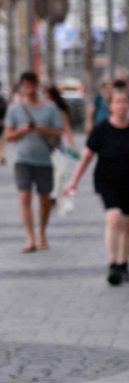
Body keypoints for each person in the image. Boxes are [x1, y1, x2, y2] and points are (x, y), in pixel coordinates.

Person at [65, 81, 129, 285]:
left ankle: (124, 265)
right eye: (117, 102)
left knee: (128, 225)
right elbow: (86, 156)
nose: (121, 106)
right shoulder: (101, 130)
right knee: (114, 219)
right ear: (110, 105)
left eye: (125, 102)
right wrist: (73, 182)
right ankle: (113, 265)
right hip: (106, 180)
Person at [4, 72, 64, 252]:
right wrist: (22, 130)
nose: (28, 87)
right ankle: (30, 238)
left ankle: (42, 232)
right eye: (25, 84)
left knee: (45, 199)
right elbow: (8, 135)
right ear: (21, 87)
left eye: (31, 84)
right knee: (24, 197)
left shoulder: (50, 108)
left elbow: (58, 133)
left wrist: (42, 129)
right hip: (22, 160)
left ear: (36, 85)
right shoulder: (15, 109)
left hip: (44, 160)